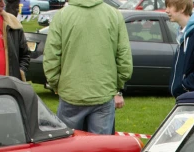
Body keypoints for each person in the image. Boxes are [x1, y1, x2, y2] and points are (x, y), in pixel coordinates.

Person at [42, 0, 132, 134]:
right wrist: (116, 86)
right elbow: (124, 58)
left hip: (71, 92)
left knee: (69, 148)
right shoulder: (114, 15)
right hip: (102, 92)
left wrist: (56, 84)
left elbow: (51, 57)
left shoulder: (62, 16)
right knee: (99, 149)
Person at [165, 0, 194, 98]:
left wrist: (184, 86)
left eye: (170, 7)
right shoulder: (183, 34)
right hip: (185, 97)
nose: (166, 11)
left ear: (182, 8)